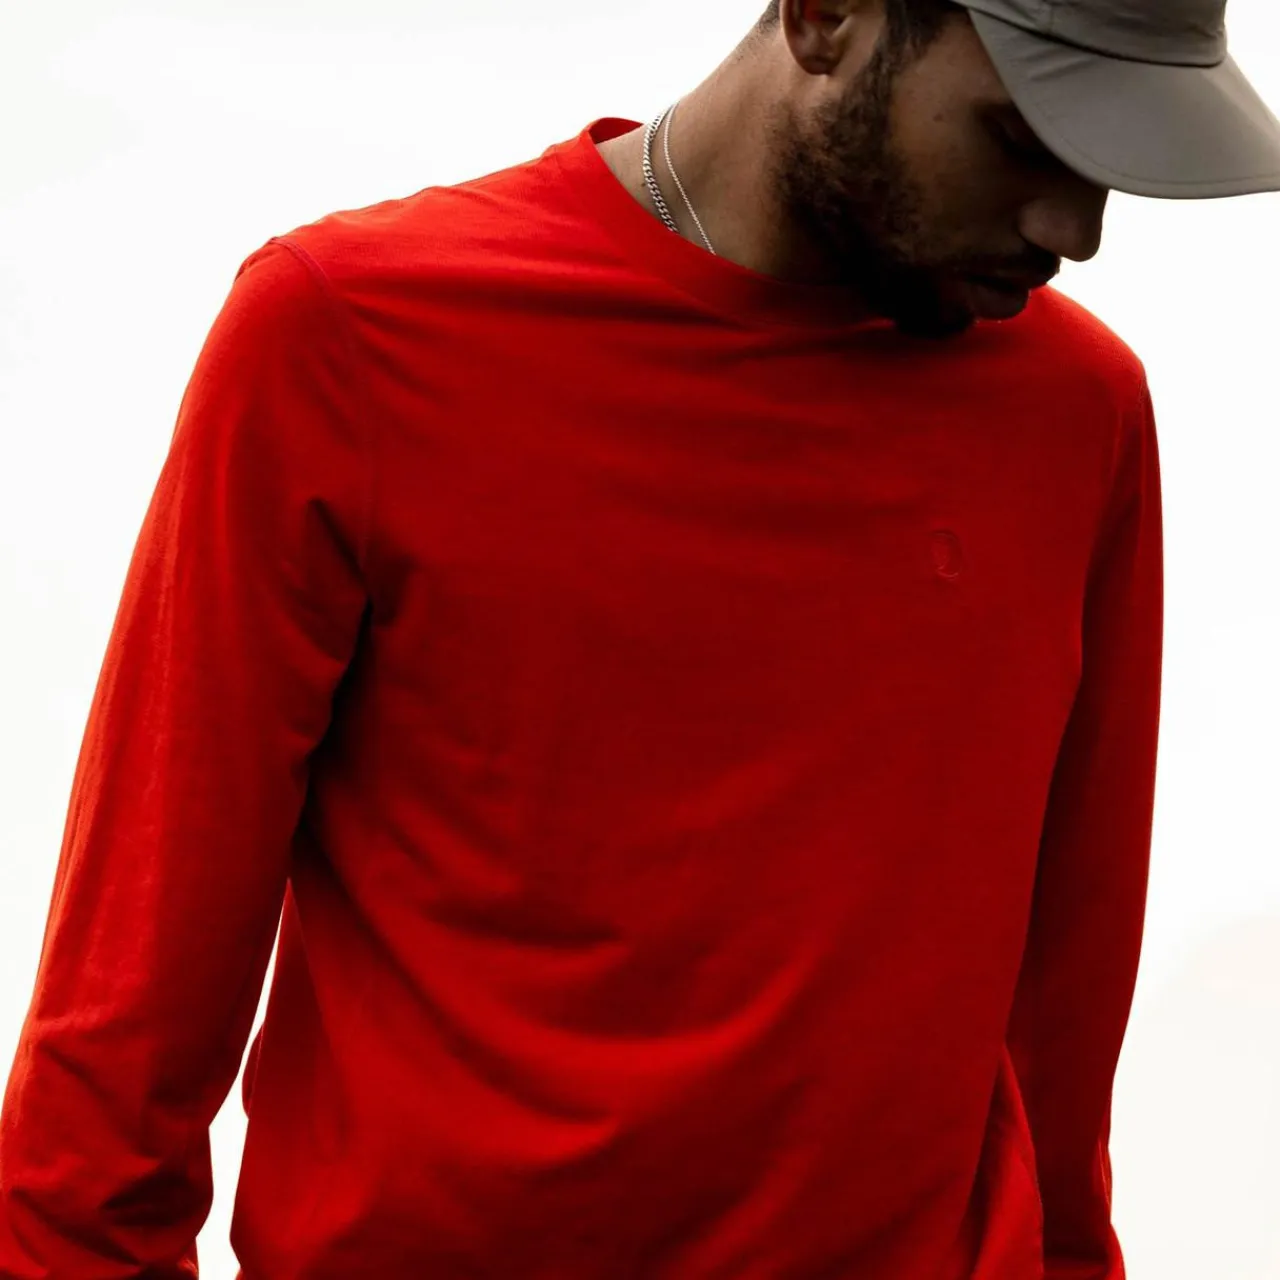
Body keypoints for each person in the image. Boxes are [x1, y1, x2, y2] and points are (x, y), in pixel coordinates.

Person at [1, 0, 1276, 1275]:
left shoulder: (1074, 416)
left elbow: (1062, 1030)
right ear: (828, 16)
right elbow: (115, 1063)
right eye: (1020, 139)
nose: (1073, 230)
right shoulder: (346, 339)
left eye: (1109, 163)